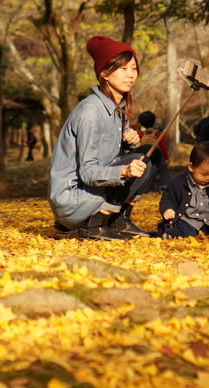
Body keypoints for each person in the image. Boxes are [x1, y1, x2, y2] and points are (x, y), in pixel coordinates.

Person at [48, 36, 156, 241]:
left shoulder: (118, 109)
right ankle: (93, 225)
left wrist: (127, 142)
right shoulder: (90, 112)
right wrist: (124, 170)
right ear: (104, 73)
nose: (130, 75)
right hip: (73, 199)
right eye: (122, 69)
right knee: (141, 162)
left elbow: (107, 155)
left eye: (133, 68)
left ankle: (119, 221)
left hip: (92, 192)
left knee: (150, 153)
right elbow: (88, 172)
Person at [158, 141, 209, 239]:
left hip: (208, 222)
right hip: (187, 220)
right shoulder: (179, 182)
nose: (208, 178)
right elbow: (168, 197)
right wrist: (168, 209)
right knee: (187, 232)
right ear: (191, 167)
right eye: (204, 174)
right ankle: (169, 233)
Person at [135, 110, 169, 190]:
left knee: (149, 175)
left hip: (146, 158)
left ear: (140, 122)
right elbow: (163, 147)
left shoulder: (140, 134)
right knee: (164, 173)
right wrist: (166, 158)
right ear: (154, 122)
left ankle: (148, 190)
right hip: (159, 159)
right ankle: (163, 187)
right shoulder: (158, 134)